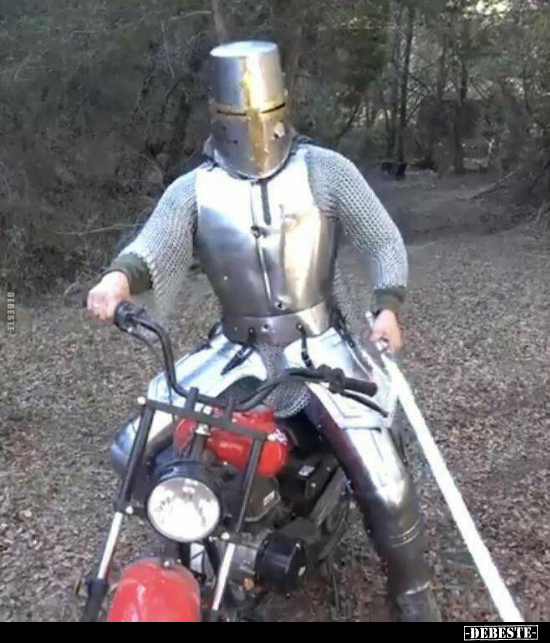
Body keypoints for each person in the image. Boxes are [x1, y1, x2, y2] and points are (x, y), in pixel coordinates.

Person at [88, 41, 440, 621]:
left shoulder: (326, 170)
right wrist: (117, 279)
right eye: (236, 114)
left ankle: (412, 592)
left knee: (383, 478)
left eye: (261, 110)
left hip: (319, 344)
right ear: (216, 113)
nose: (251, 125)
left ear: (283, 102)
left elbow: (382, 239)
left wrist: (388, 306)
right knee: (133, 446)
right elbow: (154, 245)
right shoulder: (195, 188)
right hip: (236, 349)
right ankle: (193, 542)